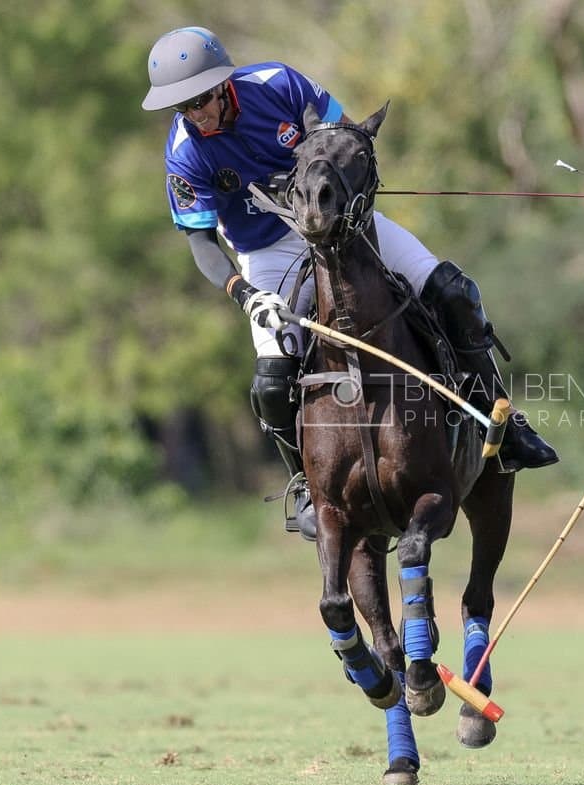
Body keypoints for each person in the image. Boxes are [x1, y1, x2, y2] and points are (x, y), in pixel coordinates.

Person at [141, 27, 558, 540]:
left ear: (224, 84)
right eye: (183, 107)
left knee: (453, 293)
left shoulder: (278, 83)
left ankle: (508, 427)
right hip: (266, 252)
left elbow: (348, 137)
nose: (196, 114)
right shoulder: (185, 153)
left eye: (201, 99)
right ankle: (307, 485)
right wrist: (247, 295)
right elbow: (200, 240)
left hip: (343, 226)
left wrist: (333, 192)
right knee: (272, 383)